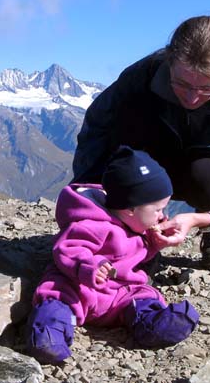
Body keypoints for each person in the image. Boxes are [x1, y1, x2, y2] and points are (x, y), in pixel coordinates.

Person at [72, 15, 210, 267]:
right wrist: (87, 202)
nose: (193, 97)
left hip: (208, 174)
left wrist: (205, 220)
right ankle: (129, 230)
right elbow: (97, 136)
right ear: (169, 58)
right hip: (151, 160)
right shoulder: (138, 79)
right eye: (182, 83)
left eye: (207, 87)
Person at [25, 146, 199, 364]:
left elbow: (139, 254)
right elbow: (68, 249)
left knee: (143, 296)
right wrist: (90, 266)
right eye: (157, 210)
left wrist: (155, 243)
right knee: (56, 298)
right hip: (80, 287)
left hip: (120, 291)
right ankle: (49, 337)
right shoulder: (90, 223)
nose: (162, 215)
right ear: (130, 210)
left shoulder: (138, 224)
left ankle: (153, 323)